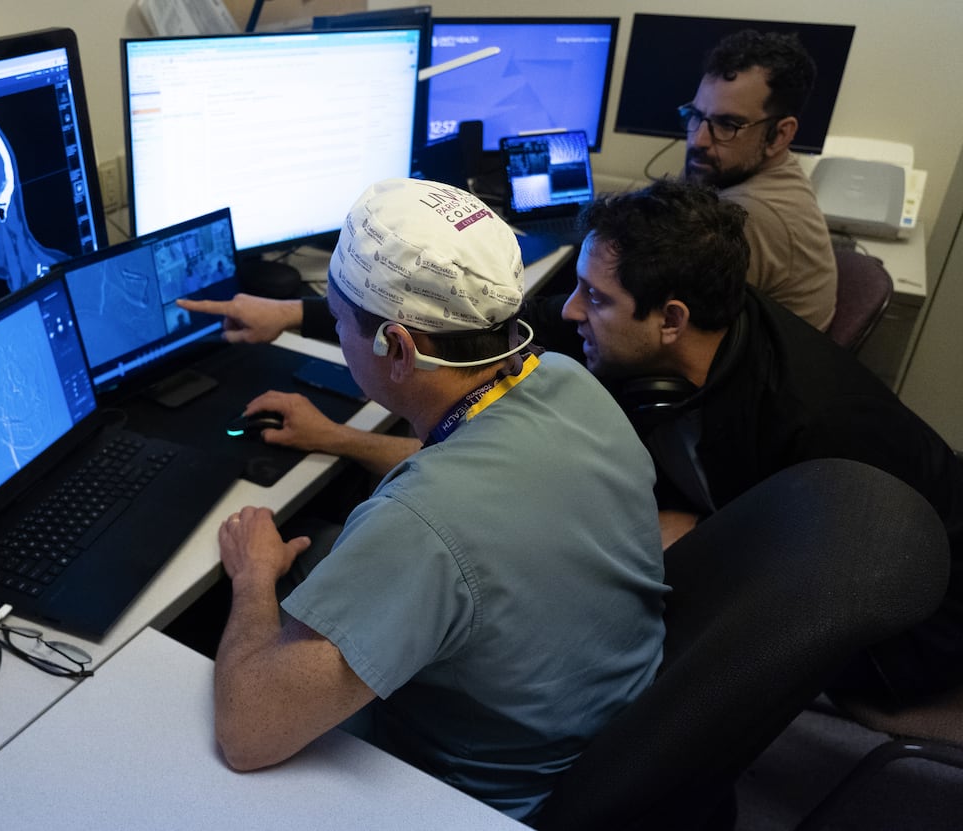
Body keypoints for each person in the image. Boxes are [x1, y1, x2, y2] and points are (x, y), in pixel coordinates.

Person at [211, 178, 667, 821]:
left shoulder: (419, 526)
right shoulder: (568, 382)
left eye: (339, 324)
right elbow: (477, 475)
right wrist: (336, 438)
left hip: (471, 798)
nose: (338, 338)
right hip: (594, 734)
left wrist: (253, 577)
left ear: (396, 348)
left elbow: (247, 732)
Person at [560, 177, 963, 706]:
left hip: (914, 630)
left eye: (594, 296)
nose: (572, 310)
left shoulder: (814, 425)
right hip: (814, 554)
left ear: (671, 320)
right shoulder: (716, 323)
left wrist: (705, 538)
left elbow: (824, 586)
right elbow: (548, 321)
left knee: (595, 619)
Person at [681, 29, 837, 331]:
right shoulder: (750, 169)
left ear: (780, 135)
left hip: (751, 373)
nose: (698, 140)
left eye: (728, 124)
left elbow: (673, 326)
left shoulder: (747, 214)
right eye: (696, 115)